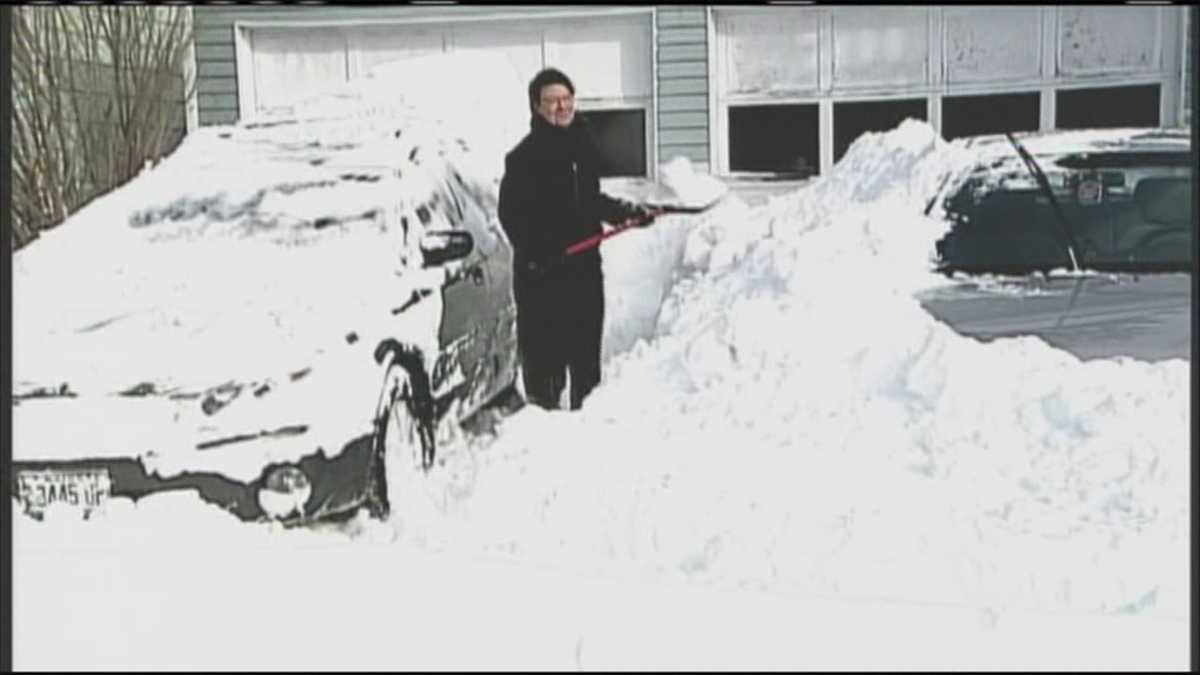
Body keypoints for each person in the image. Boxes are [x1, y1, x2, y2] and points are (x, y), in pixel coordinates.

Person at [498, 67, 656, 411]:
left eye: (567, 99)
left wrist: (626, 211)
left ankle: (587, 443)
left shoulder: (582, 147)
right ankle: (542, 445)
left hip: (584, 273)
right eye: (552, 101)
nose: (562, 106)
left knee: (586, 370)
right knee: (545, 374)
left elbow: (588, 200)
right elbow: (511, 215)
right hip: (542, 278)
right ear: (536, 108)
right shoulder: (522, 159)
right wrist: (539, 251)